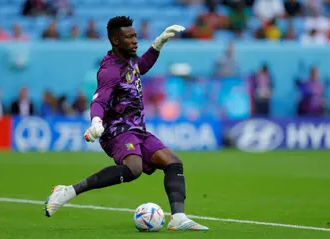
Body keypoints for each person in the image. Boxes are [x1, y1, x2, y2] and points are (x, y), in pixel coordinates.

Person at [44, 16, 209, 231]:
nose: (134, 41)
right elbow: (99, 99)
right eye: (129, 37)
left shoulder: (129, 59)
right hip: (117, 131)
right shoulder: (110, 70)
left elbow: (141, 66)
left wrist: (158, 43)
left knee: (173, 162)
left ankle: (178, 218)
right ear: (115, 40)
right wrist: (96, 121)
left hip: (138, 130)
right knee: (133, 169)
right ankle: (68, 191)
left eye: (135, 36)